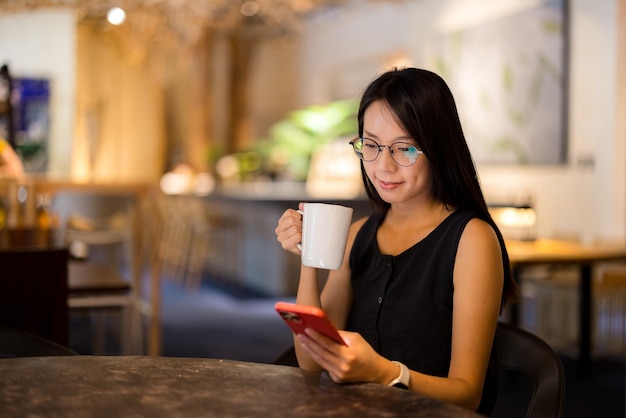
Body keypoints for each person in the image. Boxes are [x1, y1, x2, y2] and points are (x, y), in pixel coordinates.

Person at [274, 67, 517, 415]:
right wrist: (309, 253)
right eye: (370, 145)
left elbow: (468, 395)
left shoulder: (471, 240)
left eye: (404, 148)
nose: (383, 166)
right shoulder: (359, 234)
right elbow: (311, 362)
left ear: (439, 148)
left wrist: (385, 372)